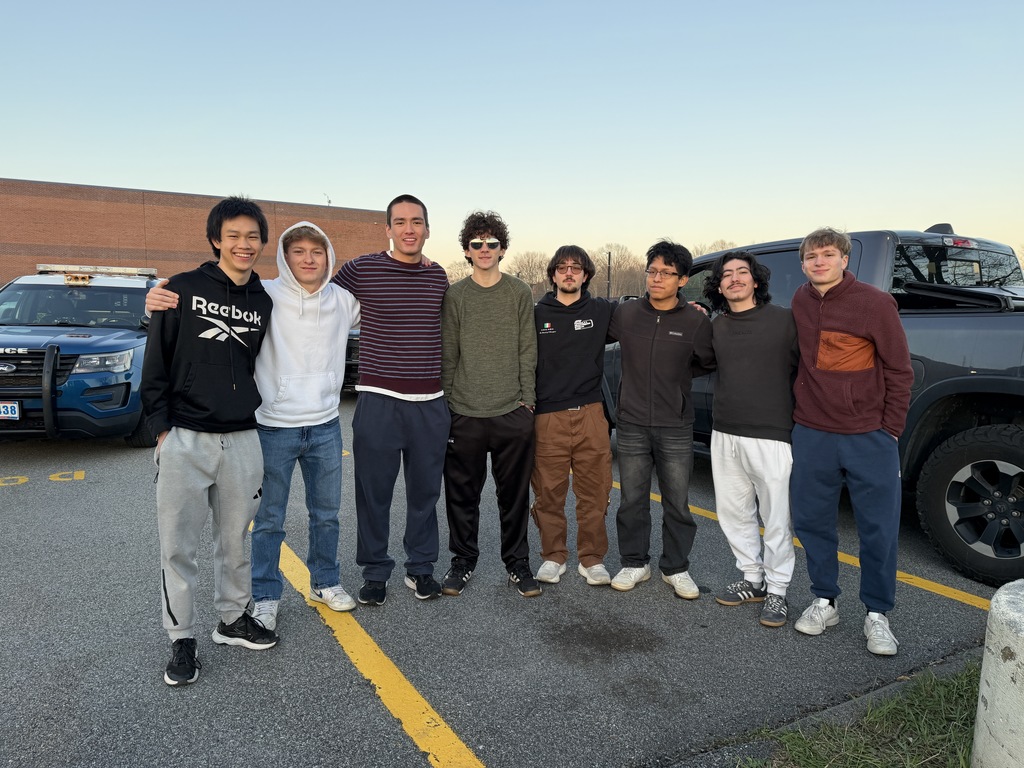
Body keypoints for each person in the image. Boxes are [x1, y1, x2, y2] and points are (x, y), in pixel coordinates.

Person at [145, 222, 362, 631]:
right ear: (283, 256)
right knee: (268, 519)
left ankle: (325, 581)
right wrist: (153, 300)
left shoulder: (345, 301)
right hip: (272, 426)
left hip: (325, 426)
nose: (308, 259)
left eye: (317, 251)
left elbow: (390, 309)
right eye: (298, 251)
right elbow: (207, 300)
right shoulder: (265, 294)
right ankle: (265, 595)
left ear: (329, 256)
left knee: (327, 513)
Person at [141, 196, 278, 687]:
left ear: (261, 243)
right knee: (178, 546)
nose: (244, 245)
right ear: (217, 239)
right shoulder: (179, 290)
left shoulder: (263, 300)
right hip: (186, 438)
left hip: (242, 437)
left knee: (234, 539)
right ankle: (181, 638)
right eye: (234, 235)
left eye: (253, 236)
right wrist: (162, 430)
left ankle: (232, 619)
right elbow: (154, 363)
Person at [789, 227, 913, 655]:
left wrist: (889, 429)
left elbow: (900, 370)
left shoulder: (876, 305)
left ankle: (877, 614)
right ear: (802, 264)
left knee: (877, 529)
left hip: (869, 437)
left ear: (845, 260)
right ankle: (824, 600)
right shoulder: (800, 301)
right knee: (812, 523)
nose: (818, 262)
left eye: (827, 254)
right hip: (812, 433)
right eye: (810, 256)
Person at [333, 195, 451, 606]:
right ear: (387, 229)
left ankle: (420, 569)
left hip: (430, 403)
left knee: (424, 493)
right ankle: (375, 571)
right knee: (373, 493)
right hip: (379, 401)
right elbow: (314, 303)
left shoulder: (439, 277)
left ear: (427, 229)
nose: (408, 229)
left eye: (416, 221)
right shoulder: (361, 269)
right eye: (399, 221)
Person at [440, 211, 540, 597]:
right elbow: (449, 352)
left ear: (503, 249)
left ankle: (517, 565)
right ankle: (462, 562)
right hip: (464, 412)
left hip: (511, 413)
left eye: (492, 243)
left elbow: (527, 349)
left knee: (513, 496)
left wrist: (527, 403)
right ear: (467, 250)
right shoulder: (456, 295)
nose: (485, 250)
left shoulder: (518, 292)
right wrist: (449, 404)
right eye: (477, 244)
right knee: (461, 496)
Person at [609, 240, 715, 599]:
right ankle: (634, 563)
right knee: (632, 500)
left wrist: (678, 382)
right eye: (652, 271)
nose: (657, 279)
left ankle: (676, 568)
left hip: (675, 425)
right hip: (632, 423)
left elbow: (707, 360)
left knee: (677, 502)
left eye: (666, 273)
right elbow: (591, 331)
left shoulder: (695, 322)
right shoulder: (626, 315)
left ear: (683, 280)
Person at [702, 251, 799, 627]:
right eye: (727, 275)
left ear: (756, 281)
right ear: (720, 286)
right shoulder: (716, 326)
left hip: (772, 435)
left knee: (776, 517)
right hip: (725, 431)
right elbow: (698, 361)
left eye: (743, 272)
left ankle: (777, 591)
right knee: (734, 513)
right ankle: (752, 580)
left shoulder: (785, 321)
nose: (735, 279)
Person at [531, 245, 616, 586]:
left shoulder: (602, 311)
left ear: (586, 275)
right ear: (552, 275)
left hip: (591, 413)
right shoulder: (537, 313)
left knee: (594, 491)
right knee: (548, 491)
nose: (569, 273)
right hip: (547, 415)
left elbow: (646, 316)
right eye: (562, 267)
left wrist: (691, 307)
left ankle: (592, 558)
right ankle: (553, 555)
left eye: (576, 268)